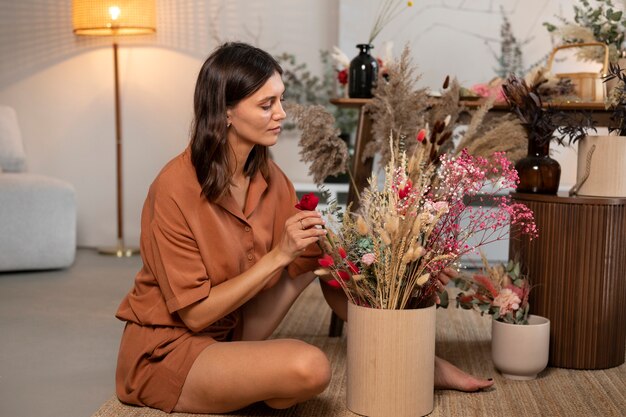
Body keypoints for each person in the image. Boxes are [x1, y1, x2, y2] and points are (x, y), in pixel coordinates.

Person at [114, 41, 493, 414]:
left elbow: (326, 266)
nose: (281, 113)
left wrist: (407, 279)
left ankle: (423, 364)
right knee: (309, 367)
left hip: (235, 331)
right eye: (266, 105)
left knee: (323, 258)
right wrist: (279, 255)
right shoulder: (173, 189)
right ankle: (235, 382)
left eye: (280, 100)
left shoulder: (270, 178)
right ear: (225, 112)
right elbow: (194, 315)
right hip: (171, 348)